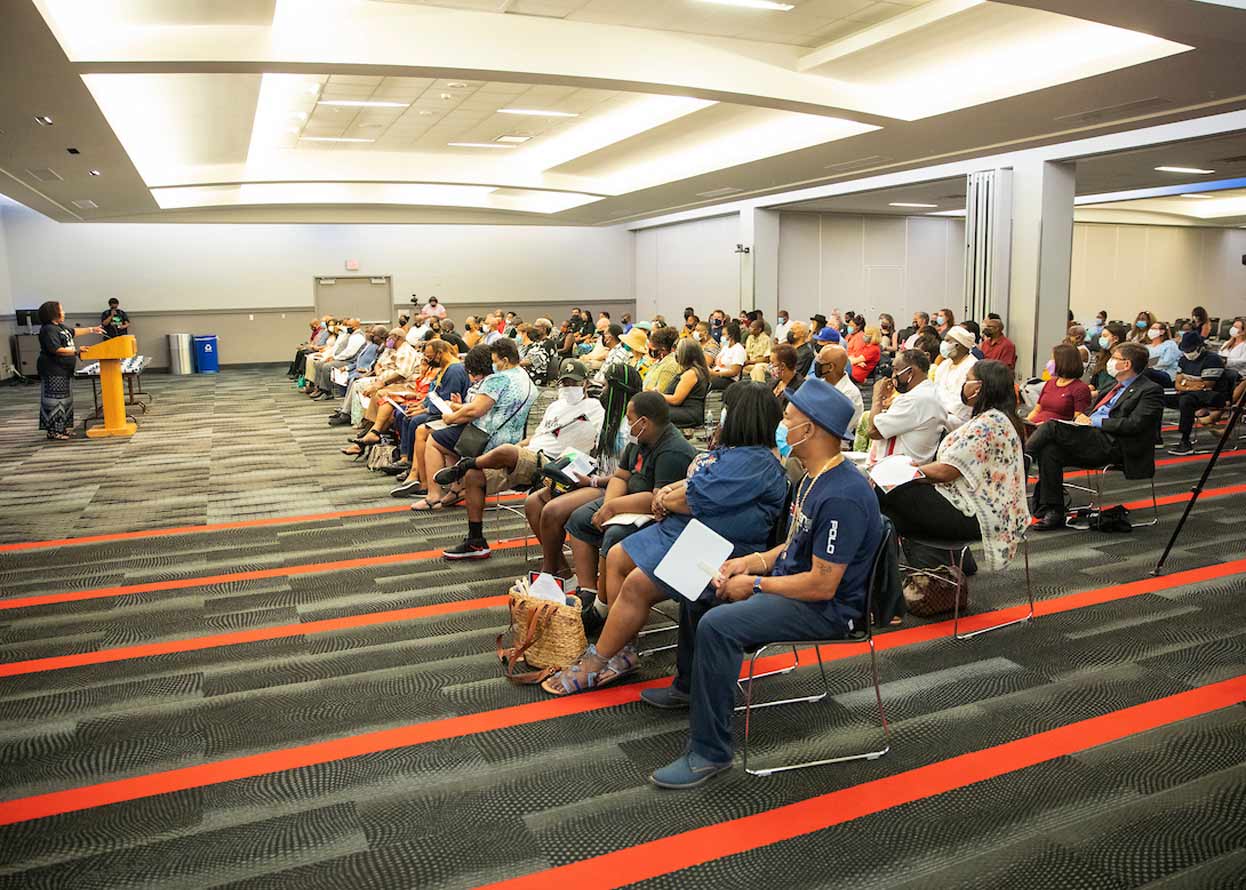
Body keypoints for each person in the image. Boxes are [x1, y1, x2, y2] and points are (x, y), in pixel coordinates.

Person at [636, 379, 880, 787]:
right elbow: (794, 544)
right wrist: (747, 563)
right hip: (798, 587)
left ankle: (709, 752)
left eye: (790, 418)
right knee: (700, 589)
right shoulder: (814, 477)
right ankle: (691, 688)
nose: (782, 424)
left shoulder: (843, 494)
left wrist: (756, 585)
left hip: (827, 609)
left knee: (719, 625)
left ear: (812, 429)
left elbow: (823, 584)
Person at [542, 382, 789, 697]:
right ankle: (622, 649)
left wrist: (666, 497)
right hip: (695, 532)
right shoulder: (737, 453)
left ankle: (598, 659)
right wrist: (668, 494)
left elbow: (694, 497)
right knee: (617, 556)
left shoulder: (755, 463)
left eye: (727, 409)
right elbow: (693, 482)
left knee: (635, 585)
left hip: (719, 546)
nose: (721, 415)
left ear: (740, 416)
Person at [439, 359, 605, 559]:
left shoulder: (594, 407)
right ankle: (476, 541)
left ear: (585, 383)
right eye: (566, 383)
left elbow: (596, 443)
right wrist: (520, 447)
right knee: (476, 475)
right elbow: (536, 436)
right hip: (531, 454)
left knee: (507, 451)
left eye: (575, 383)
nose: (570, 388)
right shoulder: (555, 406)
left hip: (556, 462)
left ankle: (463, 466)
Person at [877, 359, 1028, 575]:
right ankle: (899, 575)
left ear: (979, 387)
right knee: (885, 514)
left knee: (882, 495)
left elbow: (946, 471)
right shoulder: (996, 419)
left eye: (967, 380)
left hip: (978, 513)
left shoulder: (990, 423)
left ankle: (881, 581)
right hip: (974, 504)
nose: (963, 386)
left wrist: (905, 472)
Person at [563, 392, 698, 623]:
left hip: (657, 515)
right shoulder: (640, 440)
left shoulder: (673, 450)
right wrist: (608, 506)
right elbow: (621, 475)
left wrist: (614, 508)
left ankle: (604, 609)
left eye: (629, 418)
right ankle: (589, 592)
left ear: (643, 422)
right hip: (627, 501)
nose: (627, 424)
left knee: (614, 536)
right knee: (579, 518)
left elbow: (657, 501)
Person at [1026, 342, 1163, 530]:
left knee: (1051, 427)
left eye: (1115, 358)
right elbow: (1092, 411)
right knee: (1050, 451)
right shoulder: (1113, 386)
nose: (1110, 361)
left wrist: (1094, 422)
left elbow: (1135, 424)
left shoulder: (1149, 390)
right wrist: (1085, 417)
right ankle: (1054, 510)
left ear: (1127, 364)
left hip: (1116, 444)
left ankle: (1024, 459)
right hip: (1093, 439)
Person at [525, 362, 642, 582]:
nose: (603, 392)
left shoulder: (632, 426)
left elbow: (628, 473)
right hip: (594, 476)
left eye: (607, 386)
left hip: (612, 486)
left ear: (619, 390)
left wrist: (594, 481)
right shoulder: (610, 417)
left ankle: (549, 573)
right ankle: (561, 571)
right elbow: (599, 454)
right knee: (533, 503)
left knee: (552, 510)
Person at [417, 338, 538, 511]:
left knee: (435, 440)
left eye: (495, 361)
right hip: (514, 441)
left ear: (504, 360)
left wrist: (451, 418)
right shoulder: (525, 378)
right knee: (450, 440)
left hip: (486, 439)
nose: (493, 365)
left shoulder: (500, 379)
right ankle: (457, 488)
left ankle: (434, 496)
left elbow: (475, 410)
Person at [36, 301, 104, 440]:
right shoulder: (48, 329)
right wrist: (76, 351)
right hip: (53, 369)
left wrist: (92, 329)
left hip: (64, 369)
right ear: (53, 313)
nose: (64, 312)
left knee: (65, 400)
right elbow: (57, 350)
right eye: (61, 310)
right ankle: (53, 431)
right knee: (55, 400)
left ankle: (63, 428)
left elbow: (73, 332)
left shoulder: (59, 326)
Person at [866, 349, 947, 465]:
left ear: (910, 372)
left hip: (898, 475)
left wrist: (877, 398)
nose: (893, 375)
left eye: (896, 370)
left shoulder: (914, 400)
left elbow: (873, 431)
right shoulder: (929, 392)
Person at [1167, 332, 1229, 455]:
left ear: (1200, 346)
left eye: (1190, 349)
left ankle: (1185, 441)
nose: (1188, 352)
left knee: (1186, 401)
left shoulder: (1212, 359)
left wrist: (1186, 384)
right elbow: (1178, 384)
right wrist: (1192, 385)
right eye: (1185, 350)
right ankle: (1155, 437)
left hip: (1214, 396)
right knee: (1158, 396)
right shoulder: (1183, 359)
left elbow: (1206, 385)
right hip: (1191, 394)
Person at [1027, 344, 1091, 425]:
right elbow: (1036, 410)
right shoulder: (1050, 383)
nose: (1050, 362)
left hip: (1056, 431)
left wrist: (1046, 426)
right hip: (1036, 426)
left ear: (1064, 362)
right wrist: (1026, 422)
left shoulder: (1080, 388)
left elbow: (1077, 420)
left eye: (1053, 359)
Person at [934, 326, 978, 429]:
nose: (943, 344)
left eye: (947, 341)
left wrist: (941, 407)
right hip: (939, 411)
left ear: (957, 345)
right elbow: (935, 389)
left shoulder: (972, 367)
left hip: (959, 418)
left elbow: (964, 402)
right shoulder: (944, 364)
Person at [814, 344, 864, 434]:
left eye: (820, 361)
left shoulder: (849, 393)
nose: (817, 363)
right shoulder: (820, 384)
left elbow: (835, 427)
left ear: (831, 367)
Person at [663, 338, 711, 428]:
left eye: (678, 351)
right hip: (684, 410)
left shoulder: (691, 374)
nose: (676, 354)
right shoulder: (694, 371)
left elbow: (676, 400)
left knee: (654, 414)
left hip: (689, 412)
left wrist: (657, 395)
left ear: (685, 355)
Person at [1089, 323, 1130, 394]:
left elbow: (1117, 385)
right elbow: (1094, 382)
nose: (1101, 339)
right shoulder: (1103, 356)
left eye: (1105, 336)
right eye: (1101, 336)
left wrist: (1097, 393)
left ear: (1116, 339)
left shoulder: (1123, 359)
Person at [708, 322, 746, 391]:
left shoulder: (738, 349)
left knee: (704, 383)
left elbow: (734, 372)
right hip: (717, 374)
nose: (721, 337)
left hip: (729, 380)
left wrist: (716, 374)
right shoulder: (725, 347)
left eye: (723, 334)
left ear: (731, 335)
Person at [643, 326, 681, 395]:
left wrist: (646, 391)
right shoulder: (659, 361)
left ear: (663, 349)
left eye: (654, 348)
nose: (650, 351)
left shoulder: (671, 364)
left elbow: (660, 392)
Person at [769, 343, 804, 409]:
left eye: (772, 362)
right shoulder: (775, 381)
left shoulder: (799, 389)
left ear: (782, 366)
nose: (770, 366)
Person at [742, 318, 772, 382]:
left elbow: (766, 359)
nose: (749, 329)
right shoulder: (750, 338)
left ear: (759, 329)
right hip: (750, 365)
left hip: (763, 364)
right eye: (750, 327)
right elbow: (746, 353)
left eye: (752, 327)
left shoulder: (766, 339)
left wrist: (751, 362)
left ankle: (759, 387)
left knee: (757, 368)